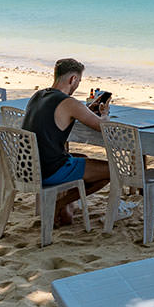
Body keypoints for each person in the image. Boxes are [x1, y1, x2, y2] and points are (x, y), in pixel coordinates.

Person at [23, 57, 112, 225]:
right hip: (49, 170)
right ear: (73, 79)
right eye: (78, 81)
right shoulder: (70, 103)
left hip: (27, 167)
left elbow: (58, 116)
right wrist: (104, 112)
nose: (77, 85)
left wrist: (85, 110)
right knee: (112, 170)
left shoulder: (37, 95)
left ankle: (65, 208)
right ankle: (58, 204)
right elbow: (103, 127)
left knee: (82, 157)